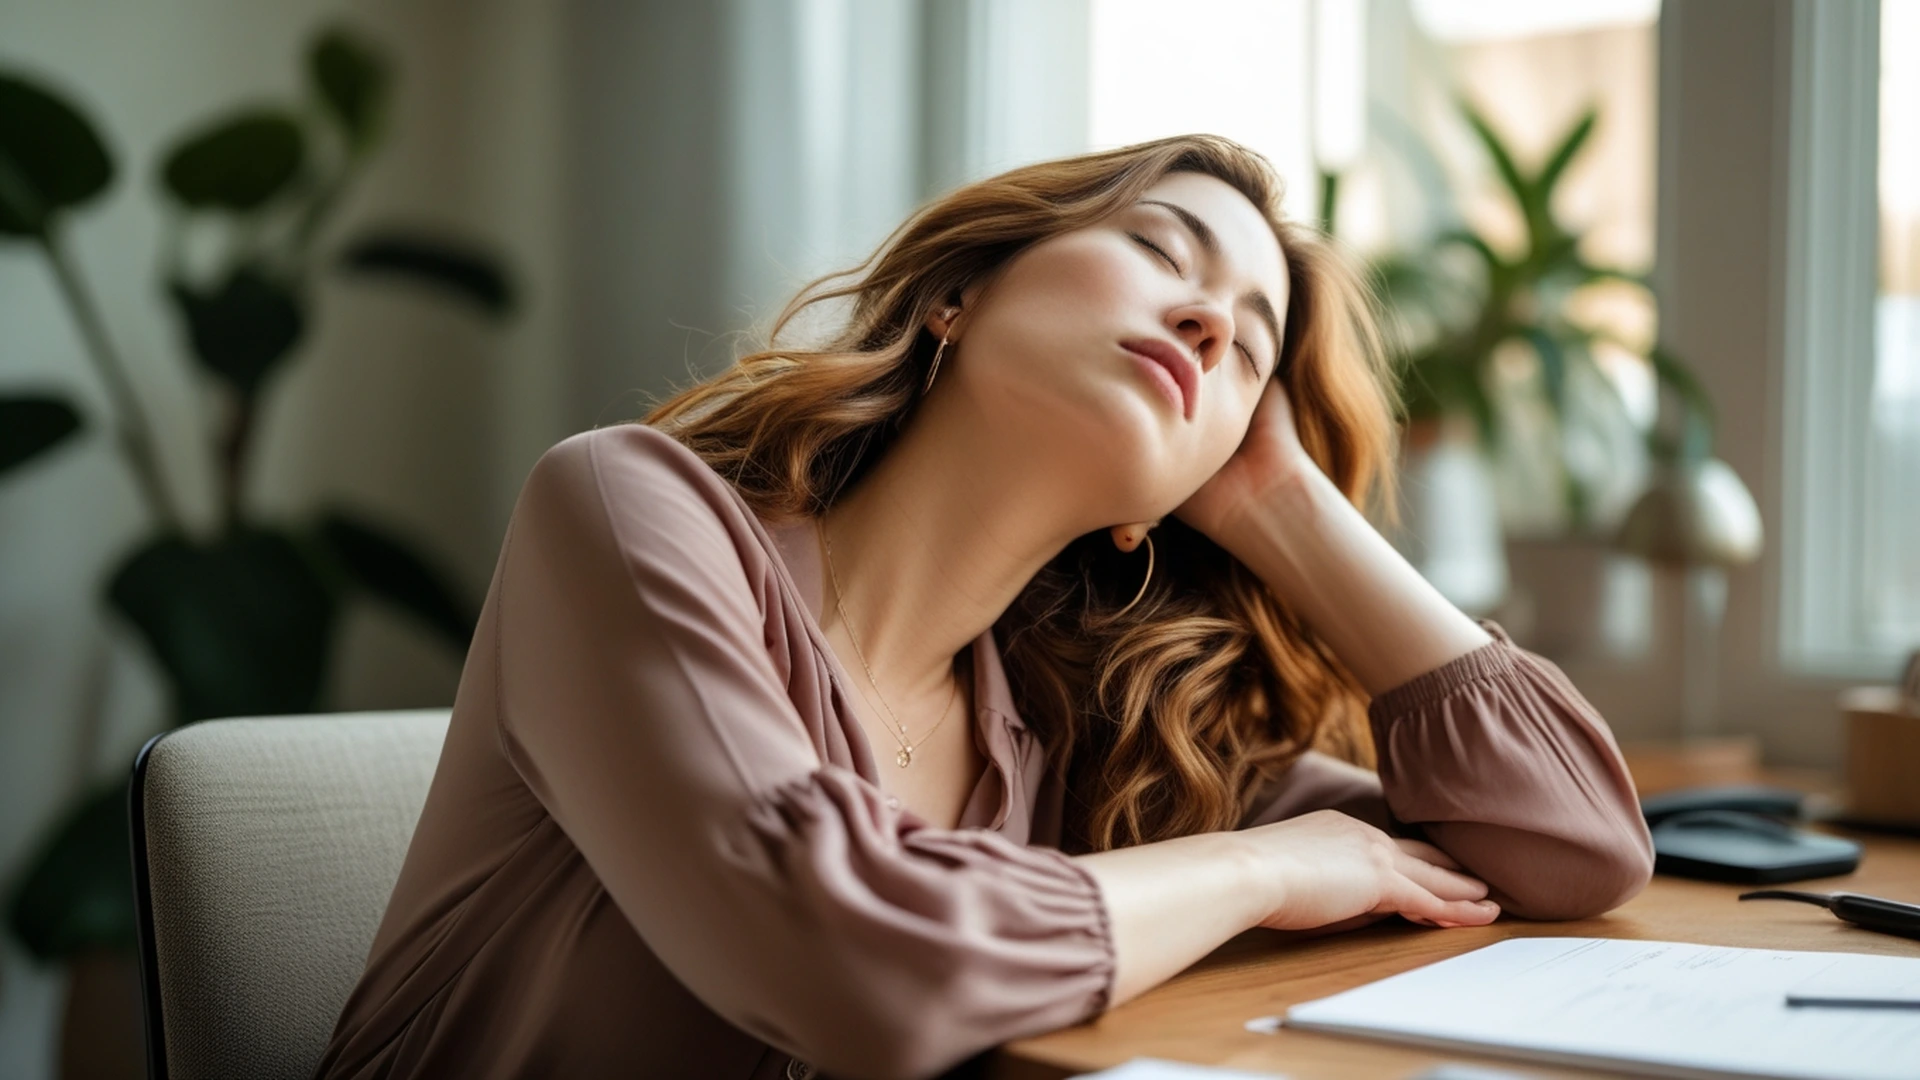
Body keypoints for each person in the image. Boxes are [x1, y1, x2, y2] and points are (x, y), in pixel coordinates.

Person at [315, 134, 1654, 1080]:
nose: (1204, 324)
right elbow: (848, 961)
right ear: (961, 292)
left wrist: (1278, 500)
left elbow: (1571, 850)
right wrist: (1267, 866)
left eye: (1247, 343)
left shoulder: (1086, 729)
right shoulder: (626, 511)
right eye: (1161, 251)